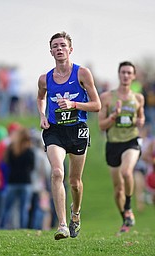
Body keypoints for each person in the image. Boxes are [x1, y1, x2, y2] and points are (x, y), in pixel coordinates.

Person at [37, 31, 101, 240]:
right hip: (55, 130)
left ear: (70, 49)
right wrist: (42, 115)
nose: (59, 49)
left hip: (77, 129)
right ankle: (62, 225)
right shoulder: (44, 78)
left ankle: (75, 213)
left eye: (63, 45)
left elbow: (97, 105)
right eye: (55, 46)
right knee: (57, 172)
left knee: (75, 182)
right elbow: (40, 98)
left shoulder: (82, 73)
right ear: (51, 51)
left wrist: (74, 104)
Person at [98, 61, 145, 233]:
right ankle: (124, 217)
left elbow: (141, 118)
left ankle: (129, 207)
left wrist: (140, 121)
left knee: (127, 172)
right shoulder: (107, 98)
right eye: (123, 72)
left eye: (129, 73)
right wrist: (113, 116)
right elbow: (101, 126)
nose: (125, 75)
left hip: (131, 141)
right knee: (118, 190)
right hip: (113, 144)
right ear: (119, 74)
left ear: (133, 76)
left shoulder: (138, 98)